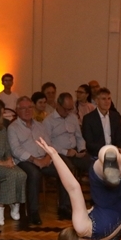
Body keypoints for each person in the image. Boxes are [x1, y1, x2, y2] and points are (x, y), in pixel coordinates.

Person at [8, 96, 61, 225]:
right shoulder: (13, 128)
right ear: (17, 110)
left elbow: (49, 144)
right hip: (25, 161)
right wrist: (35, 160)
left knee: (63, 170)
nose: (27, 111)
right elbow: (16, 150)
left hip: (44, 159)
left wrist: (48, 157)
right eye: (23, 108)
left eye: (30, 107)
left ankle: (64, 206)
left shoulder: (40, 126)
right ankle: (33, 212)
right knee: (34, 174)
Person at [46, 92, 92, 220]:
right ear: (58, 105)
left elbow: (79, 136)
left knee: (93, 165)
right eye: (66, 109)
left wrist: (82, 149)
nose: (68, 112)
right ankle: (64, 206)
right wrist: (65, 151)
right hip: (59, 153)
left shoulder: (73, 118)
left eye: (70, 109)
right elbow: (48, 144)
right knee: (67, 170)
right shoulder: (48, 121)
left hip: (75, 151)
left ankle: (95, 200)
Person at [81, 88, 121, 157]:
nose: (107, 102)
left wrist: (119, 148)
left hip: (115, 151)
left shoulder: (115, 116)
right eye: (104, 99)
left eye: (109, 99)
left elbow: (119, 138)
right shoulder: (88, 119)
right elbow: (89, 143)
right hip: (98, 153)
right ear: (97, 101)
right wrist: (108, 149)